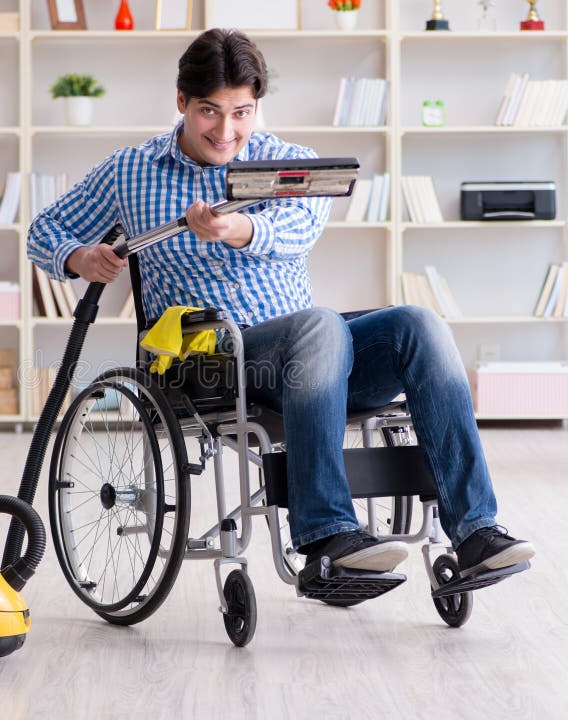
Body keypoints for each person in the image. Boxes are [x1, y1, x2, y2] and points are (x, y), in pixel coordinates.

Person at [27, 28, 534, 590]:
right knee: (318, 328)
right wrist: (77, 256)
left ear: (257, 105)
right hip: (213, 362)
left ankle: (476, 531)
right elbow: (43, 229)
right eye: (209, 112)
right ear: (181, 102)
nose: (226, 131)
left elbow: (299, 228)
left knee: (419, 323)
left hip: (311, 358)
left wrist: (236, 227)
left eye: (242, 112)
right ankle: (325, 537)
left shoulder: (289, 163)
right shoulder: (132, 171)